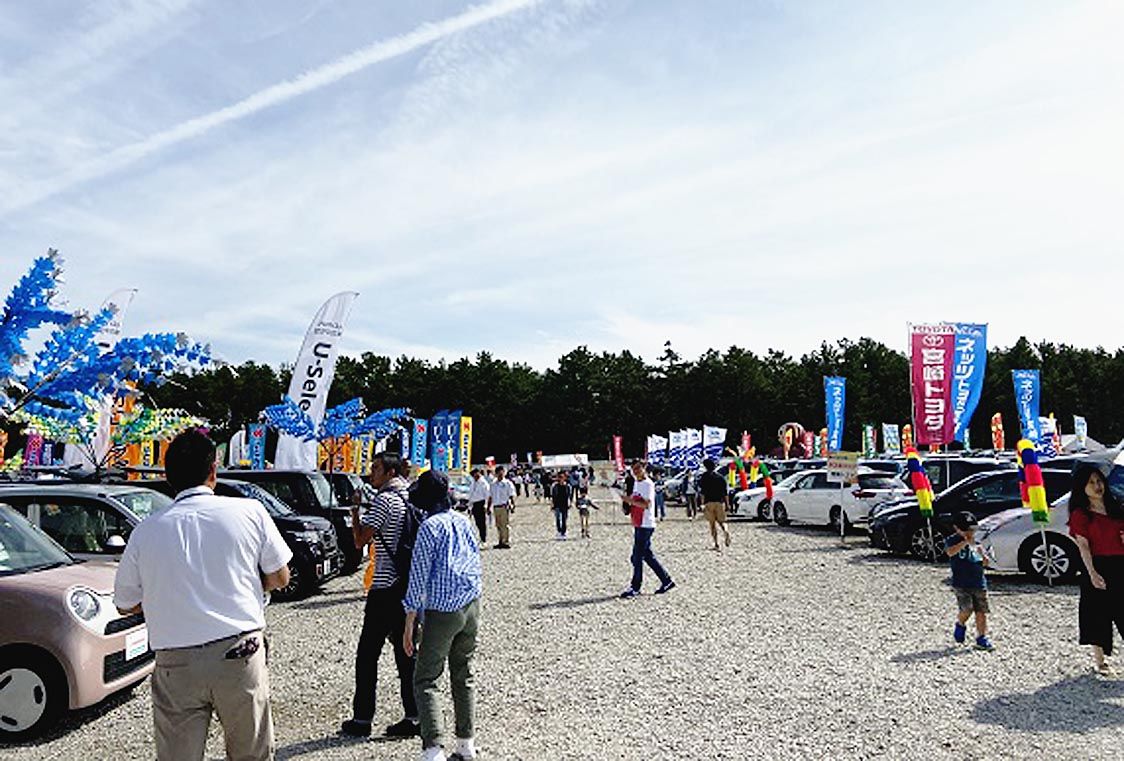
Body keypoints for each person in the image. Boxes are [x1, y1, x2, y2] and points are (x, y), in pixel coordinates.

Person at [113, 430, 291, 761]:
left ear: (168, 477)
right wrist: (245, 585)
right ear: (213, 470)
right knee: (251, 754)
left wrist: (165, 597)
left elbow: (125, 603)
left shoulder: (145, 531)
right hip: (239, 651)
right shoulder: (249, 511)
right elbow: (281, 577)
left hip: (175, 660)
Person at [402, 470, 482, 761]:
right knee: (464, 673)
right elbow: (475, 560)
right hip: (471, 604)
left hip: (442, 609)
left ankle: (433, 748)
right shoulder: (463, 520)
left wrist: (409, 621)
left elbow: (418, 575)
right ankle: (466, 744)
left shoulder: (429, 527)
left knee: (426, 679)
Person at [341, 452, 419, 739]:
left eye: (376, 468)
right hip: (407, 583)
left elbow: (360, 540)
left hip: (385, 586)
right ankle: (414, 715)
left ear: (390, 472)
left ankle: (362, 718)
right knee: (406, 651)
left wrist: (355, 511)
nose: (371, 472)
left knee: (367, 654)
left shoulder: (384, 500)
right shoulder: (410, 496)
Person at [1068, 462, 1124, 675]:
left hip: (1120, 563)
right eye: (1091, 482)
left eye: (1099, 481)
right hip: (1097, 564)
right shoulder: (1081, 514)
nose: (1097, 486)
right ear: (1082, 487)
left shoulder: (1117, 507)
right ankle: (1100, 661)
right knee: (1097, 614)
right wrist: (1092, 572)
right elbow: (1082, 545)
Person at [620, 460, 675, 598]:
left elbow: (647, 505)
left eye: (638, 468)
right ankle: (666, 580)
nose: (636, 471)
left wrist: (629, 501)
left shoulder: (648, 484)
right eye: (634, 469)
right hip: (639, 523)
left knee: (637, 556)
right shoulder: (637, 483)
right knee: (646, 555)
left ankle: (635, 587)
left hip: (646, 524)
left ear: (644, 468)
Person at [944, 511, 994, 651]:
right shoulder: (952, 540)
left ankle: (981, 637)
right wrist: (965, 542)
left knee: (981, 611)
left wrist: (984, 557)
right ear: (957, 528)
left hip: (978, 581)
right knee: (966, 609)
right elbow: (950, 552)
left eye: (972, 530)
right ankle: (960, 623)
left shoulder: (977, 542)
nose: (970, 533)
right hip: (961, 583)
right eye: (966, 530)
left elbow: (985, 561)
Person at [699, 459, 732, 551]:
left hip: (709, 502)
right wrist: (727, 504)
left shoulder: (704, 477)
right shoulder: (721, 478)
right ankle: (726, 531)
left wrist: (702, 504)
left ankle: (716, 544)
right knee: (722, 522)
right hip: (719, 502)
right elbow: (725, 493)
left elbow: (702, 492)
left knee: (712, 524)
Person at [487, 466, 516, 549]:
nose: (500, 474)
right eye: (498, 473)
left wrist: (513, 505)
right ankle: (500, 541)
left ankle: (506, 541)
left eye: (501, 472)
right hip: (496, 506)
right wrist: (488, 507)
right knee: (498, 525)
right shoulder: (493, 484)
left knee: (505, 525)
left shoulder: (507, 483)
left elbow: (511, 495)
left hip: (504, 506)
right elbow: (490, 496)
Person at [467, 468, 490, 543]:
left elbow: (487, 495)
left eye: (476, 474)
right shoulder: (473, 483)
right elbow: (471, 495)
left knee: (482, 522)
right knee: (477, 522)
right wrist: (469, 506)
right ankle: (480, 537)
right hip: (474, 504)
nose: (475, 476)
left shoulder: (483, 483)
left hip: (481, 503)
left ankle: (483, 539)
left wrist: (486, 505)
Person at [551, 472, 571, 540]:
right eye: (559, 477)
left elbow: (569, 496)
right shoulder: (555, 486)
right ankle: (559, 531)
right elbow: (553, 496)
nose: (561, 479)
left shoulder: (567, 486)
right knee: (558, 518)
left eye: (562, 477)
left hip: (565, 504)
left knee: (564, 519)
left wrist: (569, 503)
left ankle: (564, 532)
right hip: (557, 504)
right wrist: (552, 504)